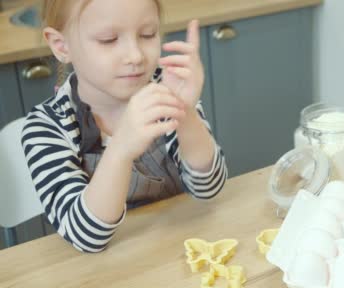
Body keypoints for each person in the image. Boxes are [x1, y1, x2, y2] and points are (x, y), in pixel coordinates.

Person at [21, 0, 227, 253]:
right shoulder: (46, 127)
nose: (135, 56)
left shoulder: (167, 89)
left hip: (181, 251)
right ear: (62, 46)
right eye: (108, 40)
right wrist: (120, 149)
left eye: (147, 34)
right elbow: (86, 237)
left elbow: (209, 188)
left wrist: (184, 113)